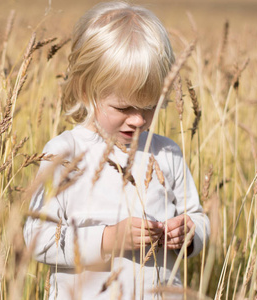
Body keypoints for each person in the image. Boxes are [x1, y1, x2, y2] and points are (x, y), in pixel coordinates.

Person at [24, 2, 210, 299]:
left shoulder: (167, 153)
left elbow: (197, 216)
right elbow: (36, 238)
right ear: (87, 92)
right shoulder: (64, 152)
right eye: (123, 107)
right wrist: (108, 238)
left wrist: (189, 233)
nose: (137, 119)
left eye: (149, 107)